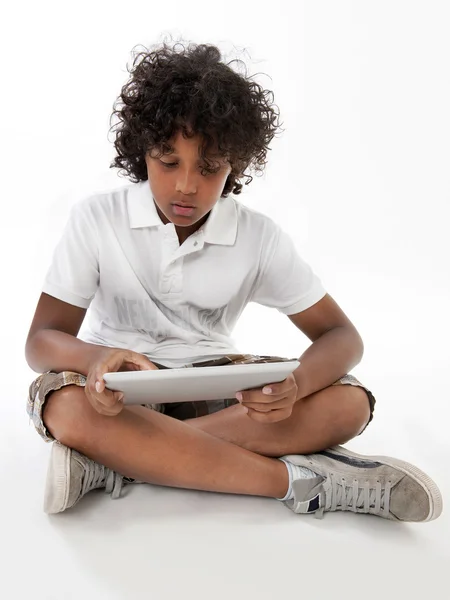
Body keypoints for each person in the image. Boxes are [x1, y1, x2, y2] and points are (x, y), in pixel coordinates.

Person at [25, 39, 442, 521]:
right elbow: (40, 342)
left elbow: (343, 337)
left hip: (213, 386)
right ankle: (309, 484)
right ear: (143, 152)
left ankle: (117, 463)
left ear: (234, 165)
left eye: (209, 168)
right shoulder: (97, 218)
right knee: (68, 408)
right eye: (168, 161)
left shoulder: (257, 236)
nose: (186, 185)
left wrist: (299, 385)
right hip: (118, 390)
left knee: (348, 402)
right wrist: (96, 359)